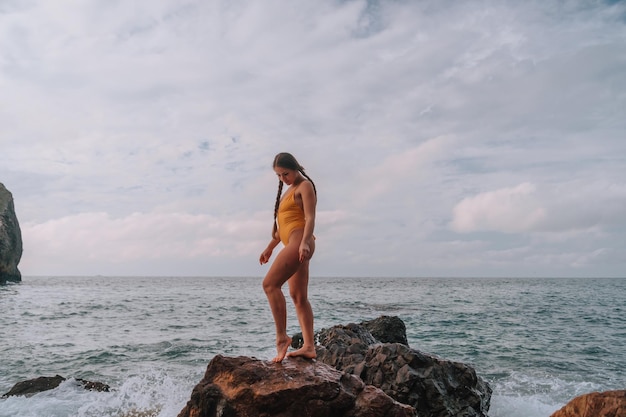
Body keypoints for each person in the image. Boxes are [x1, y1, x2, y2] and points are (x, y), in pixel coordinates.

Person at [259, 152, 317, 363]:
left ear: (295, 168)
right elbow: (282, 227)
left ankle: (282, 338)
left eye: (286, 173)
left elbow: (310, 217)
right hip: (294, 242)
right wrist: (269, 248)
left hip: (301, 241)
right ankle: (309, 347)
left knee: (270, 285)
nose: (283, 179)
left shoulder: (304, 186)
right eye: (279, 176)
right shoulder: (288, 192)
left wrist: (304, 242)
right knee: (298, 296)